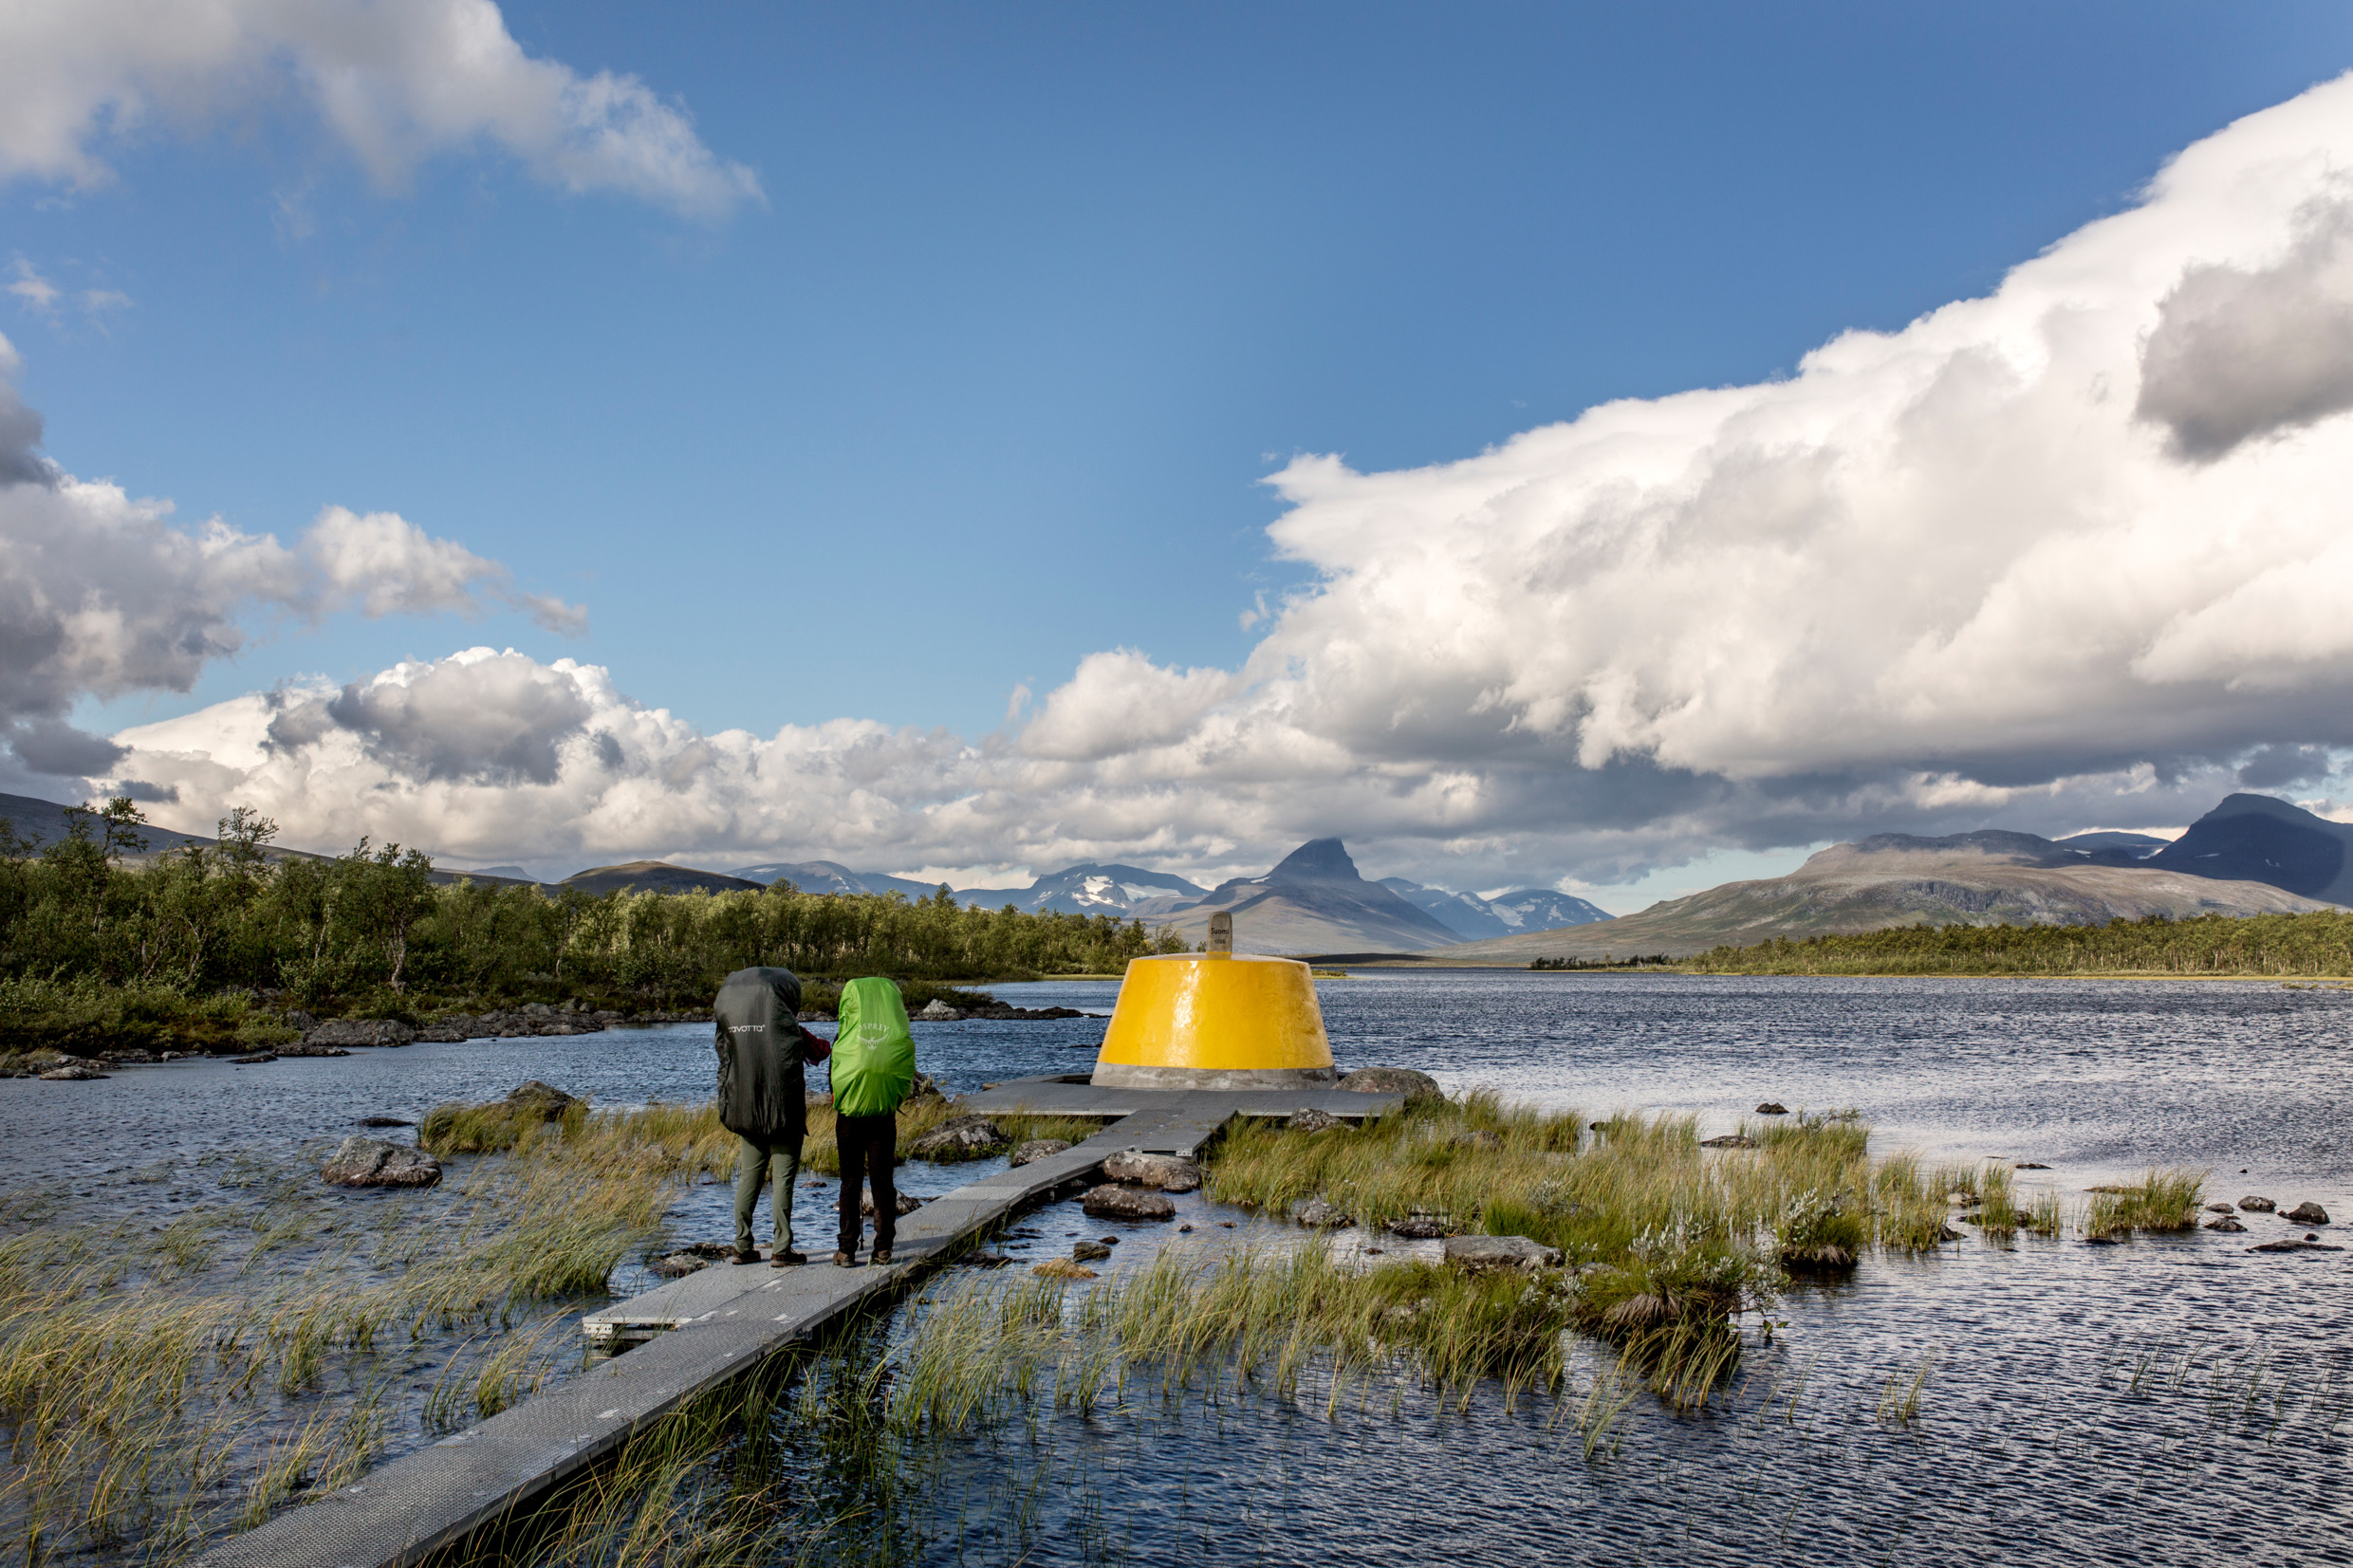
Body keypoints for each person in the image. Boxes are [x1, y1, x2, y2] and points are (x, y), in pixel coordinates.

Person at [713, 966, 829, 1266]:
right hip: (783, 1115)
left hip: (745, 1112)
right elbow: (820, 1051)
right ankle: (781, 1250)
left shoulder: (731, 1028)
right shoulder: (790, 1028)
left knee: (748, 1179)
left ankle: (742, 1246)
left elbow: (723, 1057)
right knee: (783, 1181)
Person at [828, 976, 917, 1267]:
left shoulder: (845, 1037)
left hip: (850, 1117)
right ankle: (883, 1248)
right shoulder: (895, 1036)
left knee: (850, 1181)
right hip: (883, 1115)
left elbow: (834, 1080)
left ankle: (847, 1250)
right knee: (882, 1181)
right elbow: (905, 1076)